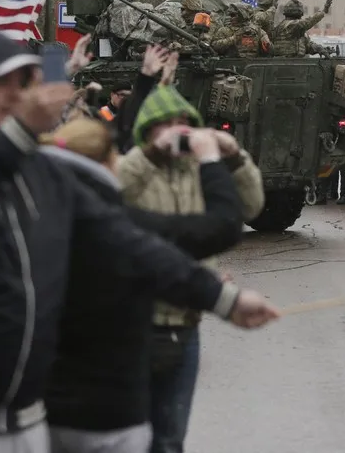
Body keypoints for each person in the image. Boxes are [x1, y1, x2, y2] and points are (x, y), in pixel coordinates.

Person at [0, 29, 278, 453]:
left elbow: (129, 243)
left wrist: (221, 298)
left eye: (20, 84)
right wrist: (20, 133)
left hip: (22, 426)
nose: (12, 96)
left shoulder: (44, 175)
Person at [39, 119, 260, 453]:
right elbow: (213, 232)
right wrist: (212, 159)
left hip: (41, 411)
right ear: (107, 165)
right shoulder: (112, 227)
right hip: (109, 419)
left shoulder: (29, 217)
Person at [117, 82, 266, 453]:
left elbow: (251, 206)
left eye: (185, 122)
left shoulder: (204, 172)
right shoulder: (135, 166)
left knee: (170, 439)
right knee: (129, 438)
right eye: (166, 123)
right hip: (134, 327)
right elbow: (107, 192)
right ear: (147, 131)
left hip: (185, 325)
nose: (178, 130)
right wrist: (153, 152)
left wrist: (233, 157)